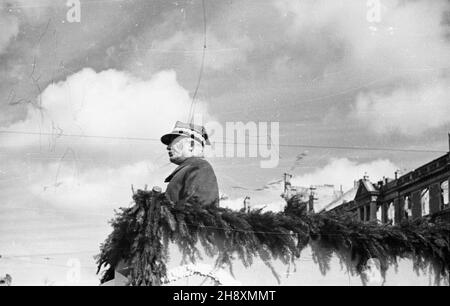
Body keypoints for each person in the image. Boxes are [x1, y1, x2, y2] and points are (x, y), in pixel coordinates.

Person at [161, 121, 219, 207]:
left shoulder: (200, 167)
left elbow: (199, 210)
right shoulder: (190, 168)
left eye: (173, 142)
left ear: (191, 145)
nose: (168, 147)